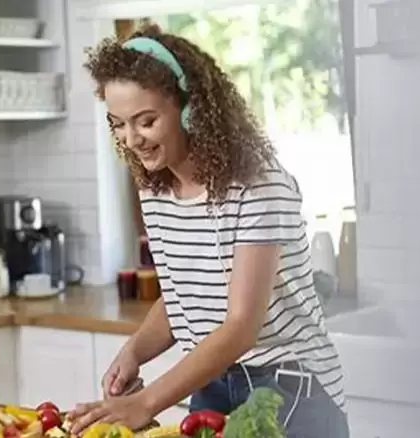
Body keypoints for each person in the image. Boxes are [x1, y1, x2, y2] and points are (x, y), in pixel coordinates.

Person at [66, 24, 349, 438]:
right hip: (213, 382)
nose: (132, 140)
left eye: (145, 121)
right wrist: (134, 352)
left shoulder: (258, 185)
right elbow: (184, 291)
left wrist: (144, 403)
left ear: (191, 109)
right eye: (118, 124)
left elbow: (240, 326)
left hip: (290, 385)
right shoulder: (156, 186)